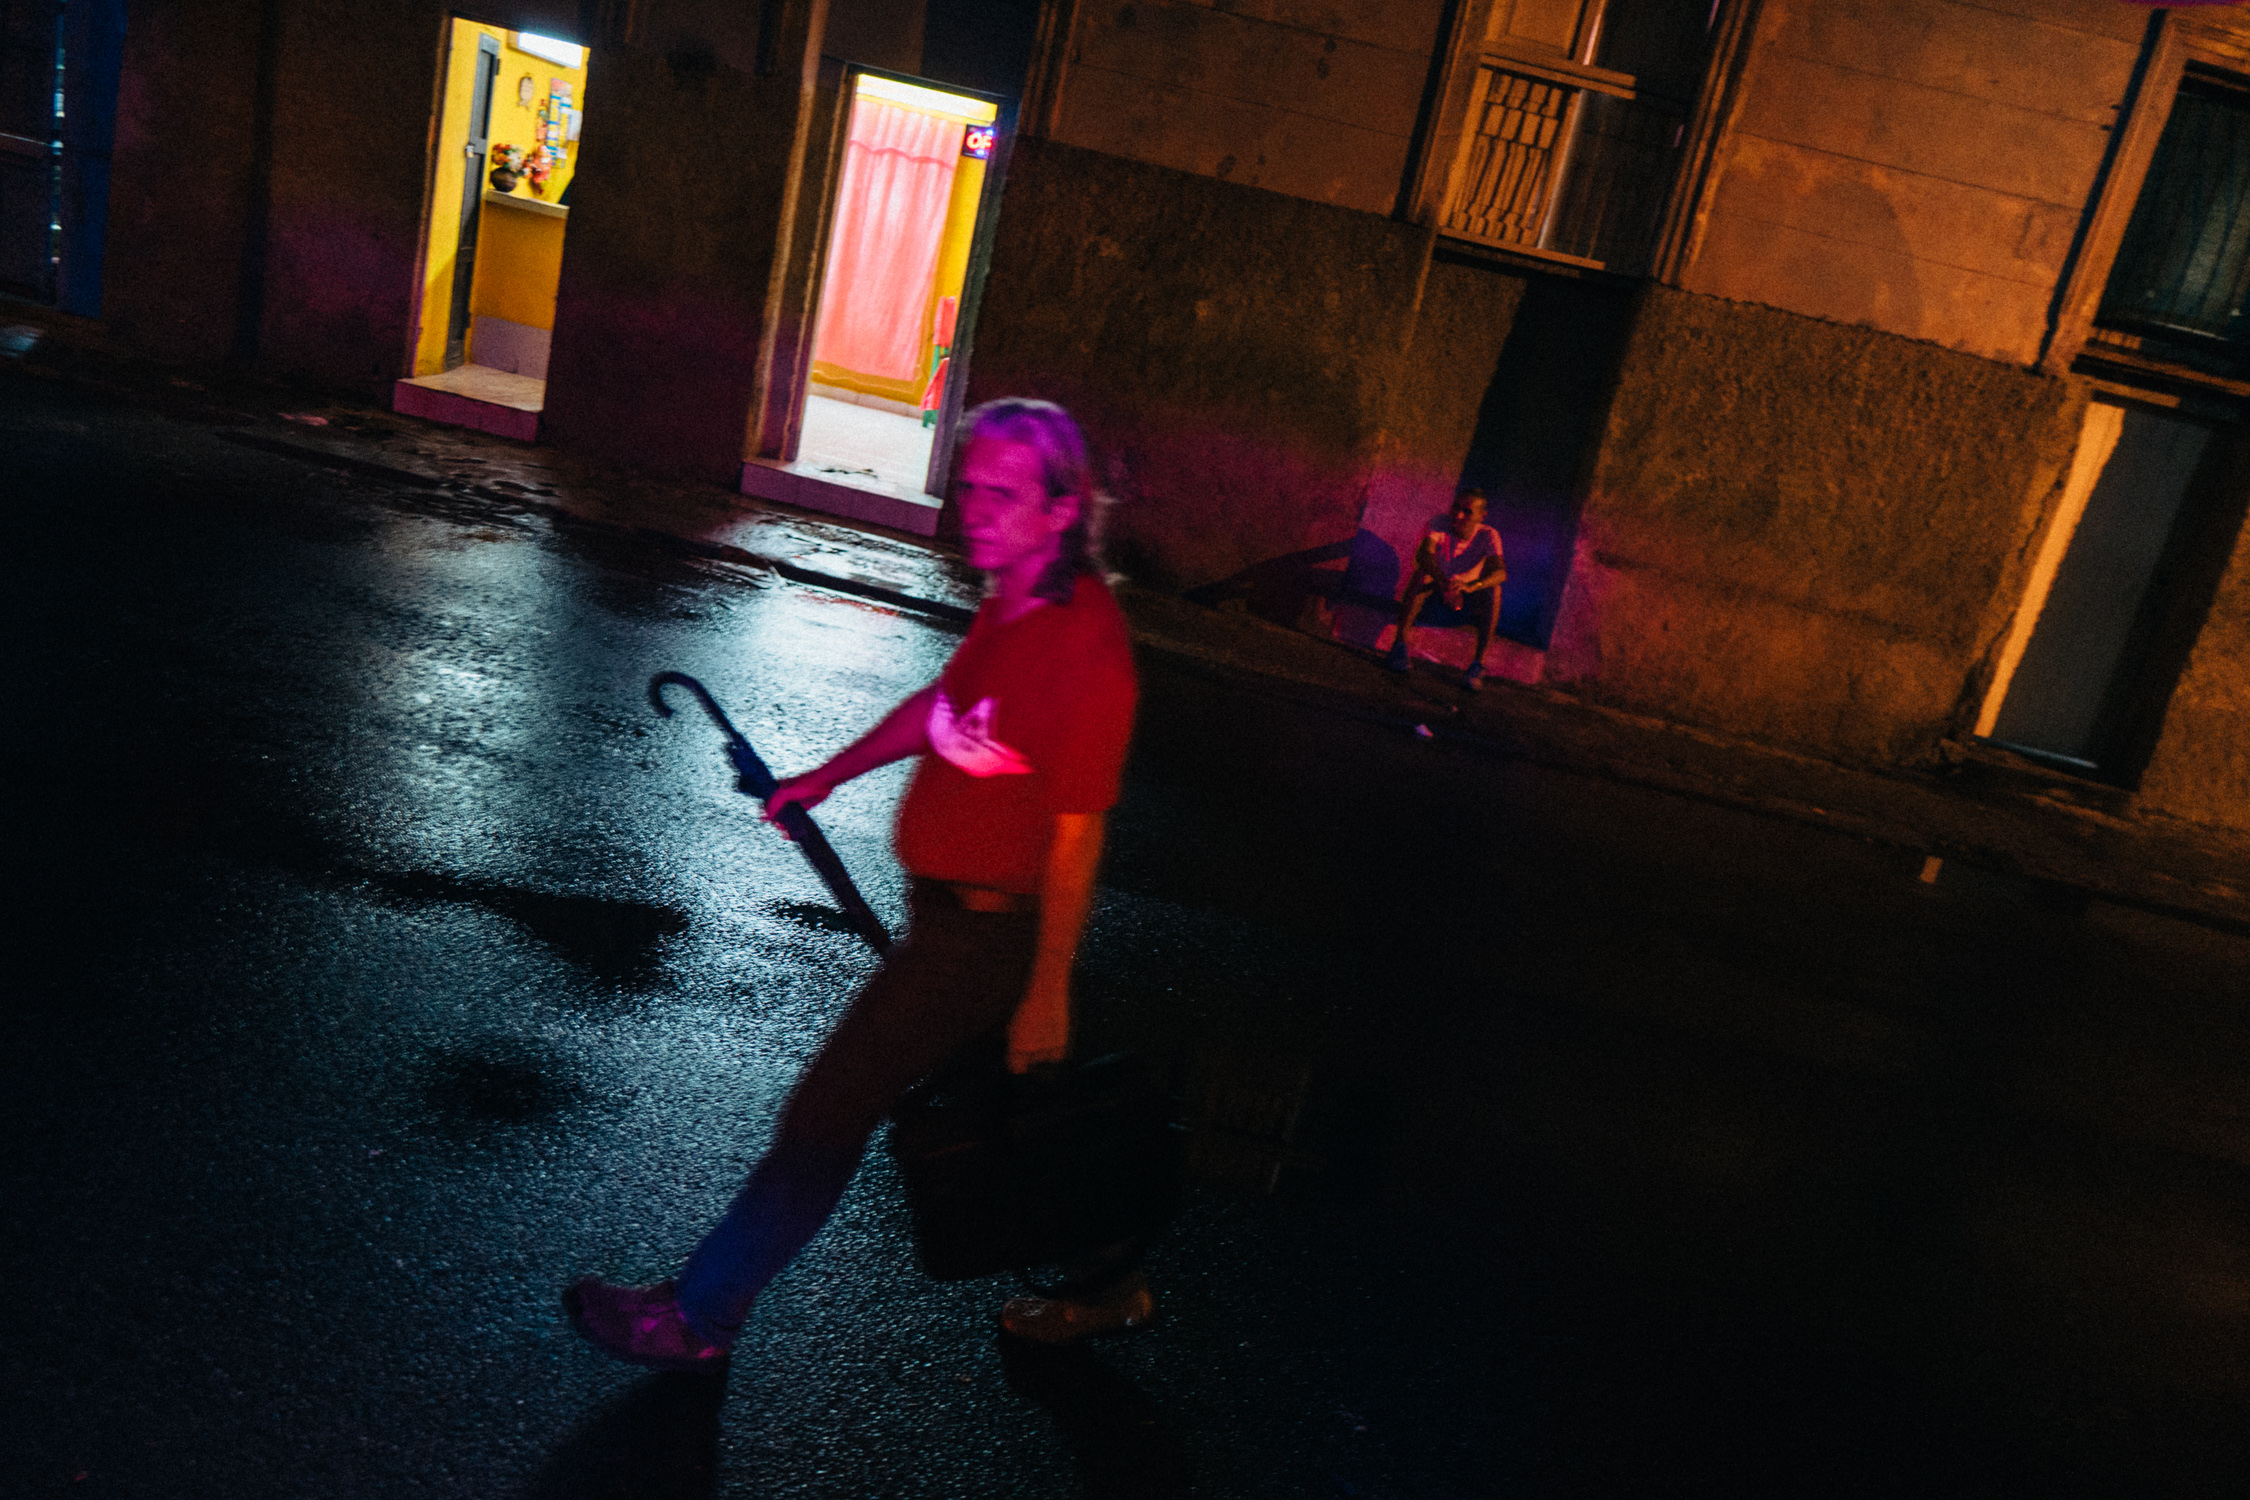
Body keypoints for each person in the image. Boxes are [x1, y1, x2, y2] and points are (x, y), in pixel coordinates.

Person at [564, 399, 1148, 1370]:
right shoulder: (1016, 596)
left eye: (1003, 494)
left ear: (1060, 509)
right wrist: (825, 777)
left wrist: (1047, 990)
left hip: (982, 941)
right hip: (948, 920)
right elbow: (944, 706)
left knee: (826, 1116)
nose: (975, 510)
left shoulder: (1085, 648)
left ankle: (700, 1317)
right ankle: (1109, 1285)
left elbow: (1080, 835)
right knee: (1021, 1124)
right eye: (968, 487)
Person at [1386, 488, 1505, 689]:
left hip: (1465, 597)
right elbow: (1424, 554)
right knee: (1422, 574)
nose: (1458, 515)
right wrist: (1443, 582)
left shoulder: (1488, 535)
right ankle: (1399, 646)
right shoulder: (1440, 523)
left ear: (1481, 516)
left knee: (1494, 590)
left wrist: (1470, 586)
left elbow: (1500, 573)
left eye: (1467, 512)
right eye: (1456, 508)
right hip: (1437, 591)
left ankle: (1478, 665)